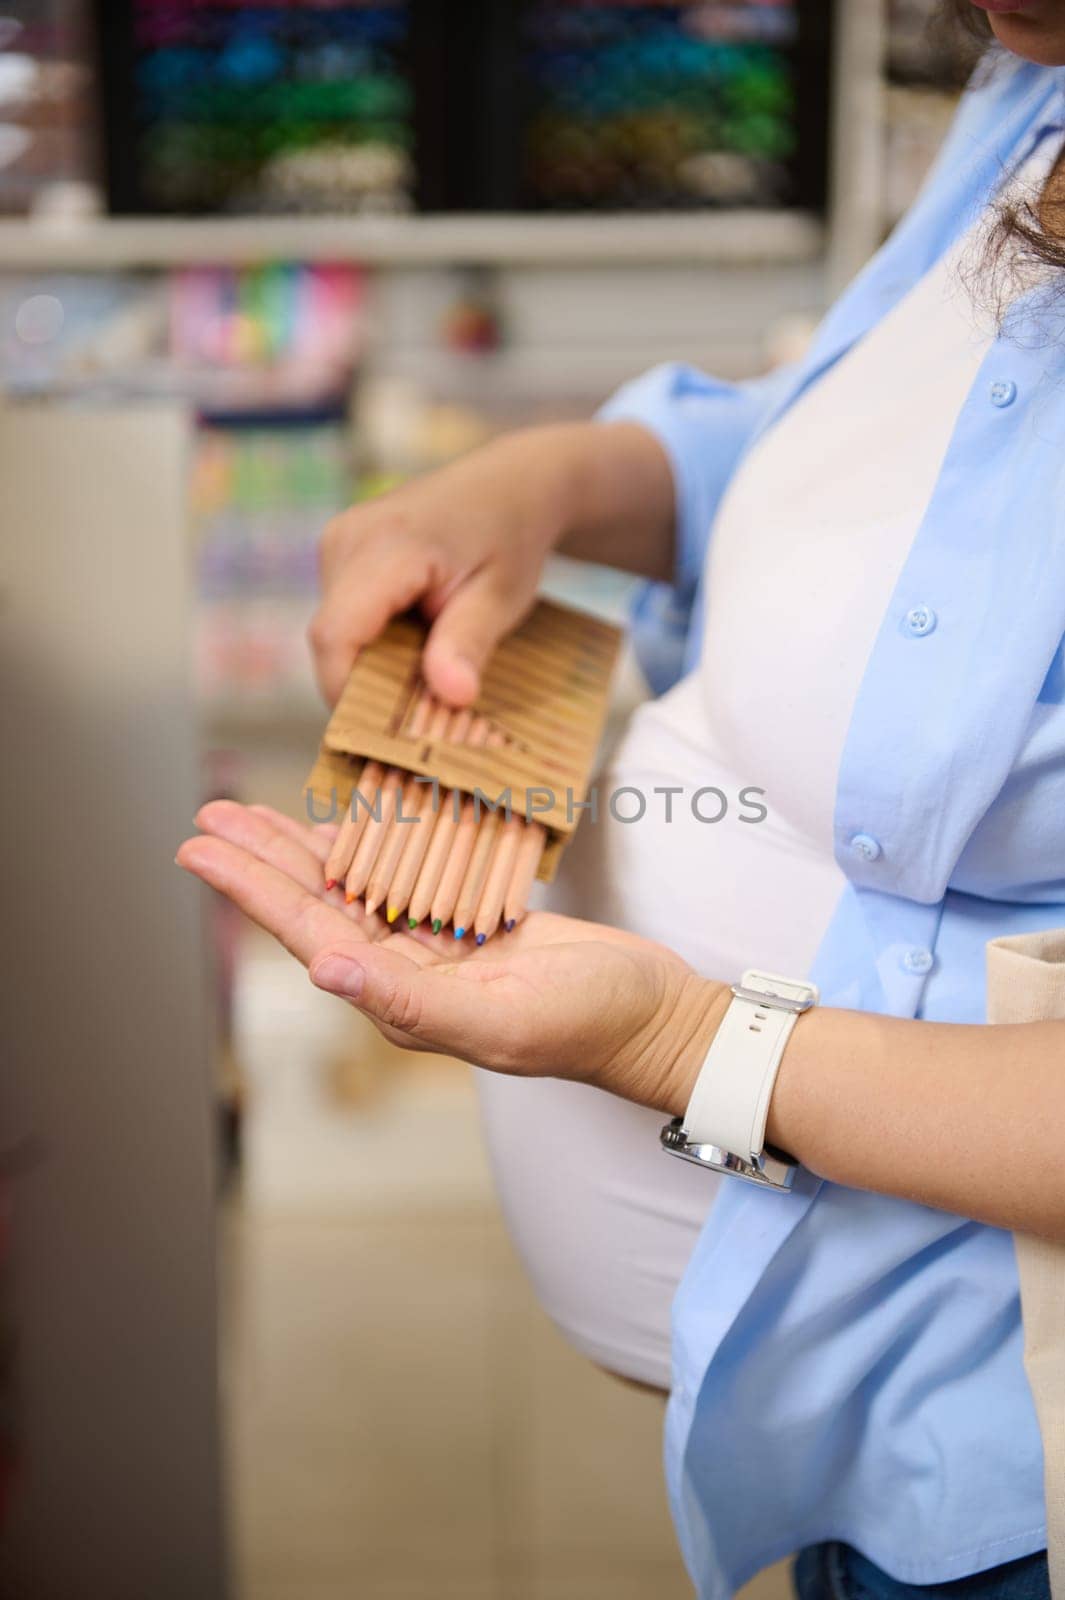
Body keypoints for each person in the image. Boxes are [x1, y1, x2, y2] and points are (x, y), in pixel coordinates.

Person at [178, 4, 1065, 1597]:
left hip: (997, 1494)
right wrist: (535, 488)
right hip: (831, 1432)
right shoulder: (1034, 86)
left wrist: (670, 1044)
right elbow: (869, 473)